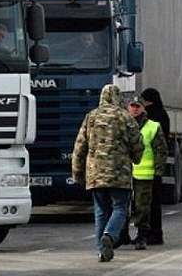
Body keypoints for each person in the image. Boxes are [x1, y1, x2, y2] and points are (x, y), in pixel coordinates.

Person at [71, 84, 143, 263]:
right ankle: (110, 235)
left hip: (95, 174)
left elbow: (80, 147)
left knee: (101, 211)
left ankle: (102, 251)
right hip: (120, 173)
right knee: (120, 208)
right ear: (119, 98)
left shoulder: (91, 117)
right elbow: (137, 144)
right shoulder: (126, 118)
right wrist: (136, 158)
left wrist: (77, 173)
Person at [128, 95, 168, 250]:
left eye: (138, 106)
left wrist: (158, 171)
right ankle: (123, 235)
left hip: (145, 174)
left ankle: (142, 235)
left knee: (142, 207)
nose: (135, 109)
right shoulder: (123, 125)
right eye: (132, 105)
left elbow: (161, 150)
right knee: (125, 206)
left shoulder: (153, 126)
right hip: (125, 174)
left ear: (143, 108)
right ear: (128, 107)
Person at [140, 87, 170, 245]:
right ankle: (155, 233)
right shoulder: (163, 115)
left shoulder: (151, 118)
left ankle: (152, 233)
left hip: (147, 167)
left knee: (148, 203)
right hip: (155, 166)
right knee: (153, 202)